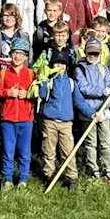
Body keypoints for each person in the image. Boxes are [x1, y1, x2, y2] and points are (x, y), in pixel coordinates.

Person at [73, 39, 110, 183]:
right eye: (90, 53)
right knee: (91, 142)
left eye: (95, 53)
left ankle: (108, 170)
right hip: (89, 112)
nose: (92, 56)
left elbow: (109, 87)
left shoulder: (103, 69)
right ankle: (94, 170)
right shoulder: (79, 69)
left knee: (106, 142)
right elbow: (84, 88)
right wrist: (104, 91)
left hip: (103, 111)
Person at [0, 37, 35, 189]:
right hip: (8, 119)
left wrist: (28, 95)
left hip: (26, 119)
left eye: (21, 53)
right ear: (10, 54)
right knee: (8, 151)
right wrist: (7, 92)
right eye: (15, 53)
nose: (17, 56)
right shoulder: (4, 73)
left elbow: (39, 94)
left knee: (25, 151)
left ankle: (23, 179)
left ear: (26, 56)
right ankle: (7, 179)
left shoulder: (32, 74)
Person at [37, 49, 77, 188]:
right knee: (49, 149)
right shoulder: (49, 82)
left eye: (63, 63)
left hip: (66, 123)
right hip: (50, 121)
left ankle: (71, 176)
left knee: (68, 151)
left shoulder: (71, 83)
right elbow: (42, 96)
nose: (59, 66)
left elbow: (79, 101)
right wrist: (42, 81)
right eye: (56, 63)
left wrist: (91, 113)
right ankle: (48, 174)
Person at [0, 4, 23, 69]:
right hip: (0, 72)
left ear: (17, 17)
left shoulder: (23, 36)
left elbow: (28, 59)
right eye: (5, 15)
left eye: (12, 15)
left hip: (18, 72)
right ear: (1, 17)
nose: (8, 18)